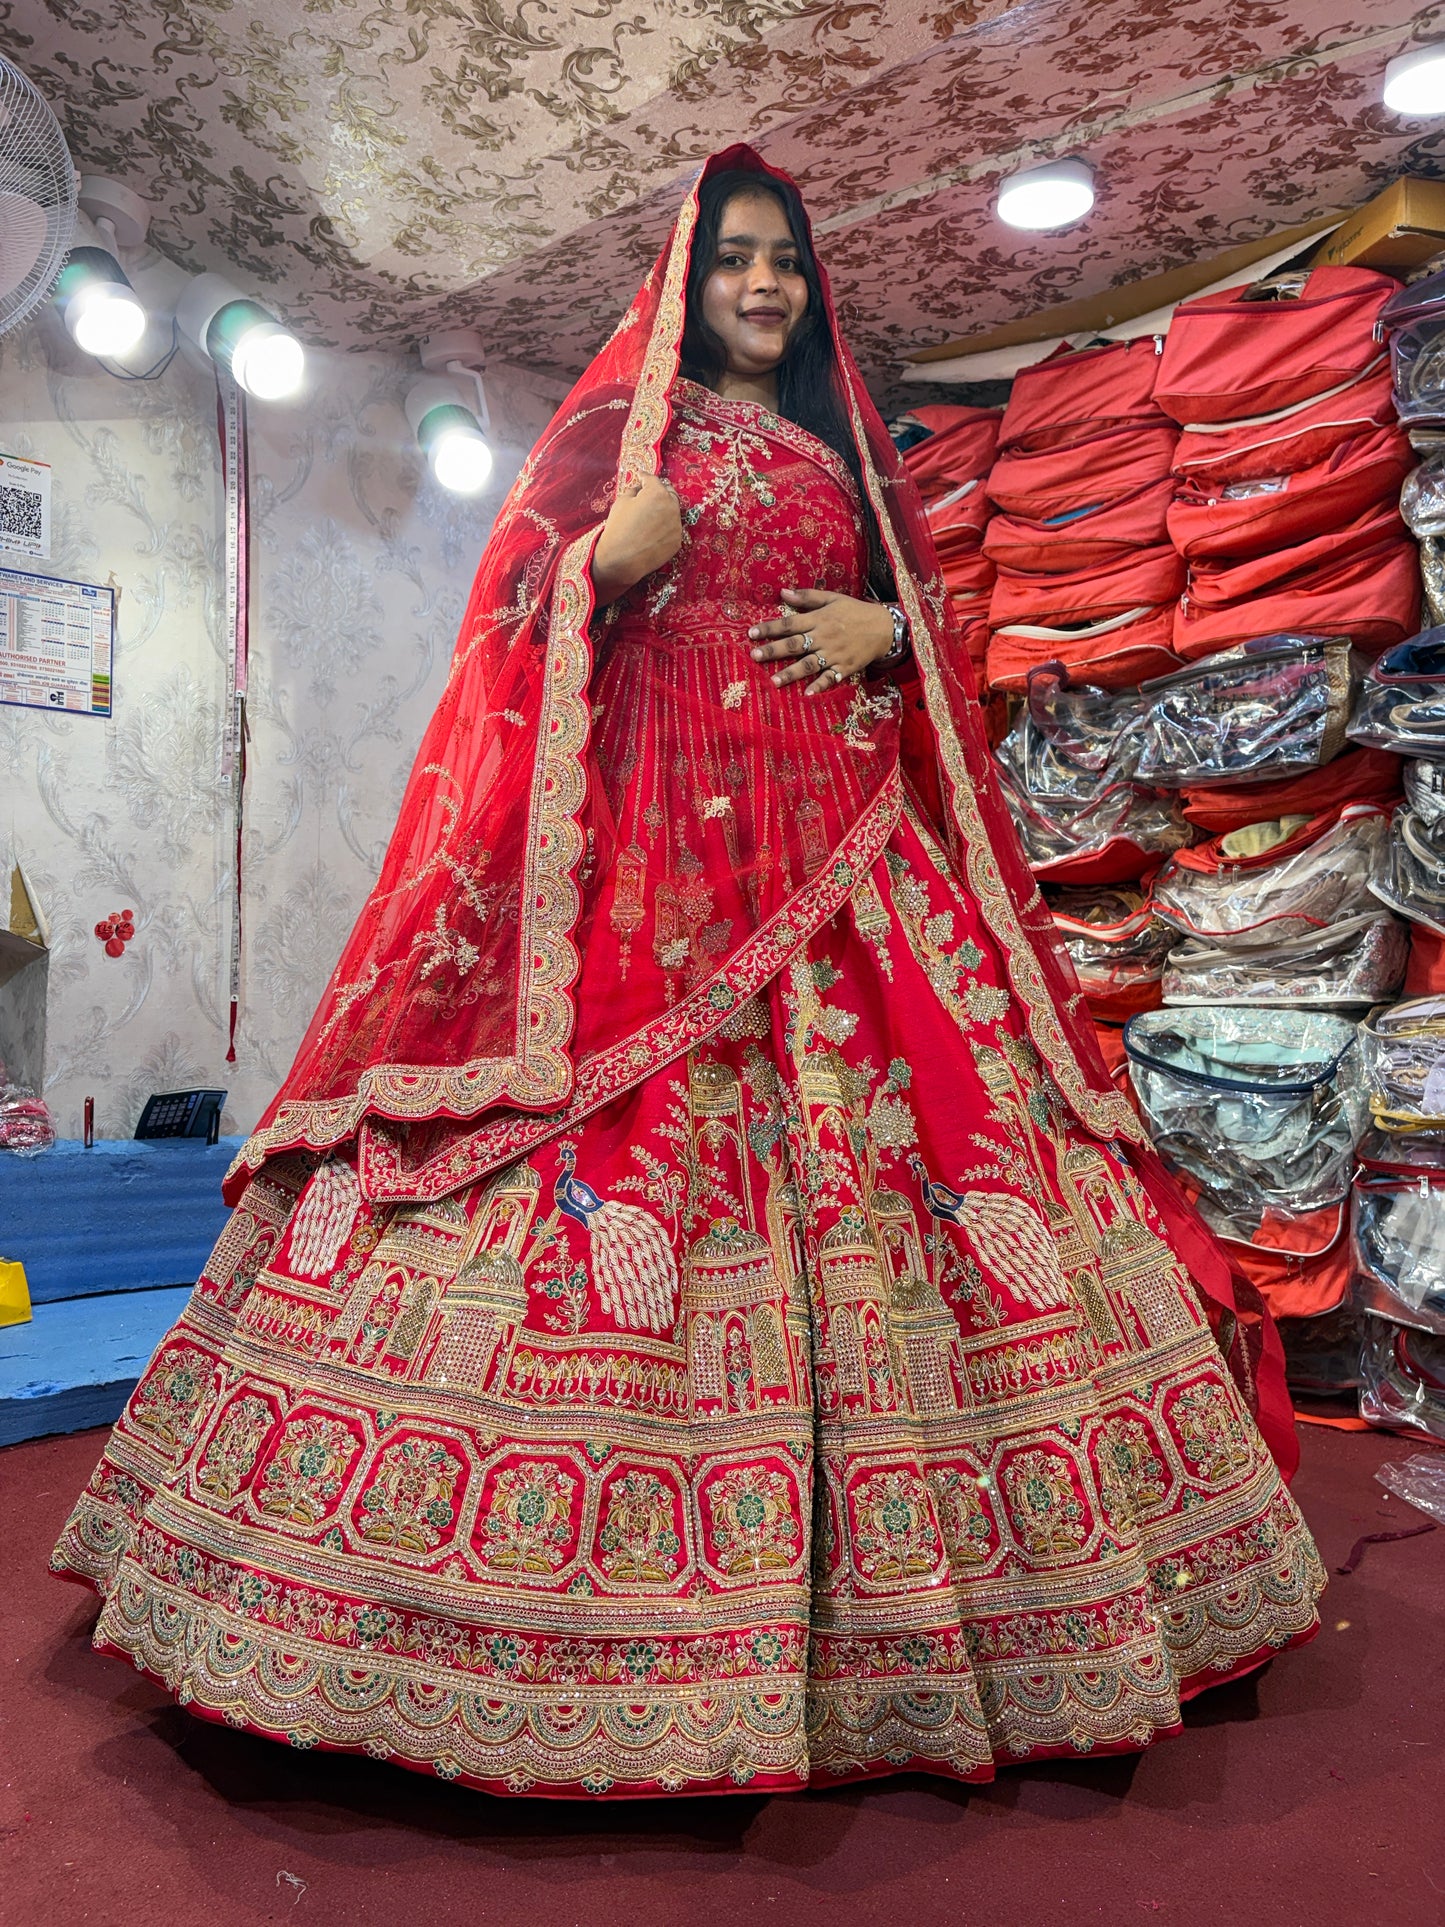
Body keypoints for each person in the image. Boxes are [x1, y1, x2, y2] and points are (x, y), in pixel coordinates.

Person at [53, 147, 1324, 1798]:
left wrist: (896, 633)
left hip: (848, 853)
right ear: (681, 280)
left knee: (944, 1150)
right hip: (655, 875)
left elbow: (920, 621)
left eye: (785, 260)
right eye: (734, 257)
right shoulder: (619, 444)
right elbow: (507, 611)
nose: (765, 282)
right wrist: (600, 565)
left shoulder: (846, 462)